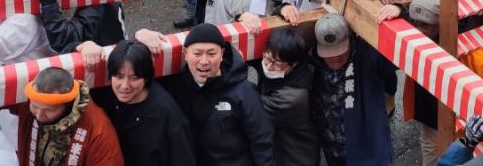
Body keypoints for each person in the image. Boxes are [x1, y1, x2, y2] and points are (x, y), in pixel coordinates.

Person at [379, 0, 483, 166]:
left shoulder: (468, 49)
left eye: (424, 25)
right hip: (430, 119)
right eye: (414, 23)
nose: (418, 30)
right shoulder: (420, 32)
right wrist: (399, 9)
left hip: (463, 125)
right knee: (431, 159)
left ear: (441, 23)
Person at [166, 23, 276, 165]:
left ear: (222, 54)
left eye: (212, 54)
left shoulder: (244, 91)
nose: (204, 61)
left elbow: (262, 140)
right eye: (197, 53)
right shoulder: (175, 86)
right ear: (185, 53)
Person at [76, 40, 196, 166]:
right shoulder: (105, 94)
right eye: (119, 77)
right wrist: (86, 45)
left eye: (134, 78)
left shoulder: (169, 116)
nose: (124, 86)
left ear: (147, 77)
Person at [310, 13, 397, 166]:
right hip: (332, 150)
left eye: (340, 51)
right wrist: (283, 9)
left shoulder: (369, 56)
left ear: (349, 39)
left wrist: (398, 12)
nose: (335, 58)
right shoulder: (311, 61)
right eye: (329, 54)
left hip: (368, 153)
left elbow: (398, 50)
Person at [14, 67, 124, 166]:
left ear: (68, 105)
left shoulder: (98, 129)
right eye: (34, 106)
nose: (39, 115)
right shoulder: (27, 103)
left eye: (49, 110)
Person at [258, 27, 320, 166]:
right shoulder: (293, 63)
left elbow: (253, 111)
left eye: (278, 64)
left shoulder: (291, 98)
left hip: (296, 158)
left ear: (294, 64)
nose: (269, 67)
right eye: (267, 58)